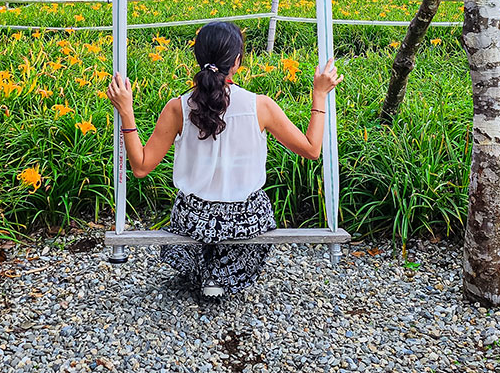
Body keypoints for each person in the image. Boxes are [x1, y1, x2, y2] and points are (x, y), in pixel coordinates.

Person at [105, 21, 339, 297]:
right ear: (237, 62)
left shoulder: (177, 107)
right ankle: (222, 273)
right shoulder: (260, 106)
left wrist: (127, 111)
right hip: (245, 219)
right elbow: (312, 150)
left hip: (194, 218)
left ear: (197, 58)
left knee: (192, 210)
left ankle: (206, 272)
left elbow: (141, 167)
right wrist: (320, 94)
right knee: (252, 209)